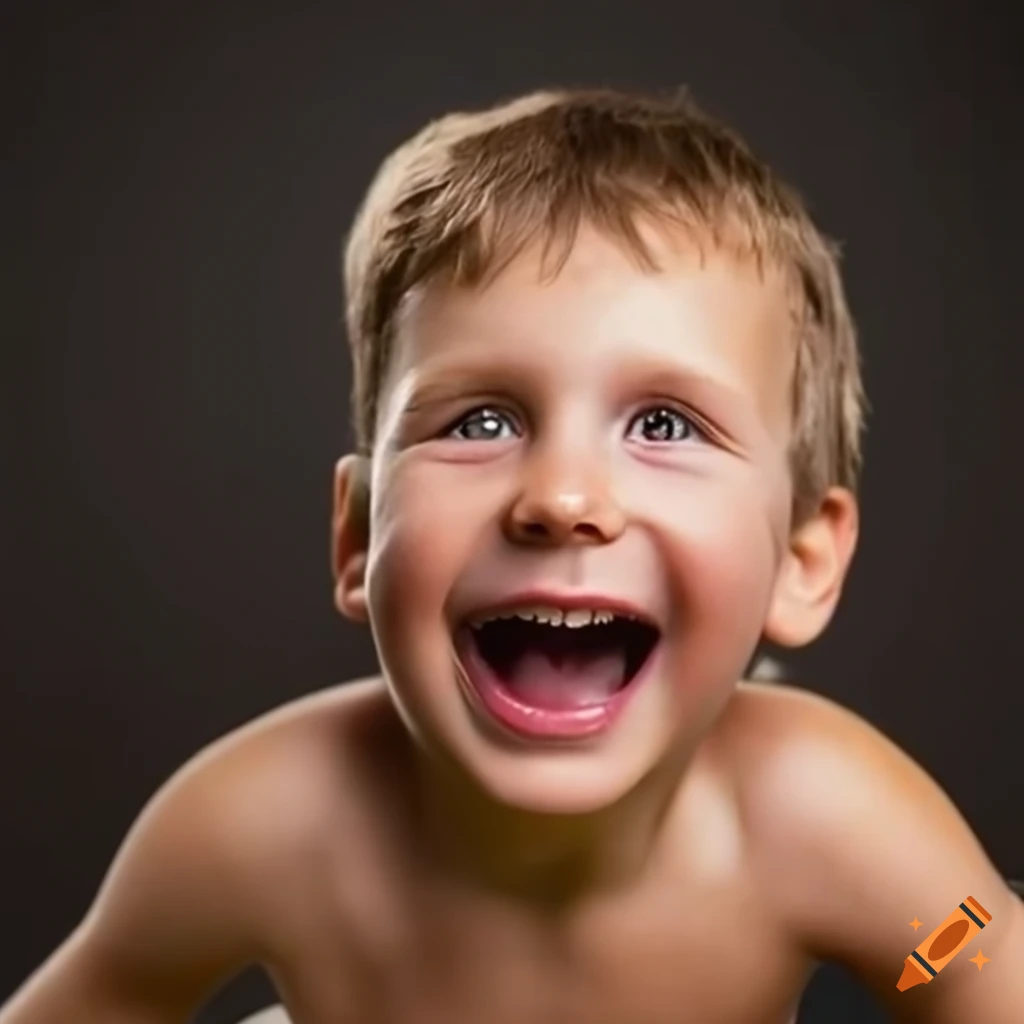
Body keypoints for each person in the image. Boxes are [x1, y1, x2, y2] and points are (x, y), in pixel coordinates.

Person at [3, 87, 1022, 1024]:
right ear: (358, 537)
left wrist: (928, 954)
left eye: (664, 426)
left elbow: (970, 953)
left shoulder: (817, 810)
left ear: (801, 561)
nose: (561, 498)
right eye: (482, 420)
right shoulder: (266, 827)